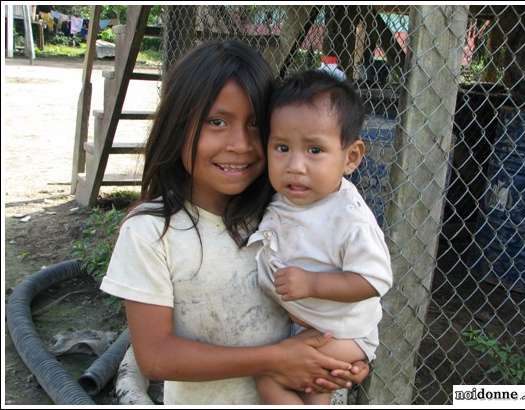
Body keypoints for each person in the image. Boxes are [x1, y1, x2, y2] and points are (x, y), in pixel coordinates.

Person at [100, 40, 369, 405]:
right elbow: (156, 356)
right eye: (217, 122)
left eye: (256, 125)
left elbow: (334, 303)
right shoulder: (151, 232)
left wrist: (347, 358)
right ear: (178, 126)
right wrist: (275, 359)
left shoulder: (284, 217)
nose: (240, 143)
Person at [249, 70, 393, 404]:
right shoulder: (283, 197)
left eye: (314, 150)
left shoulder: (349, 218)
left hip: (345, 334)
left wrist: (313, 285)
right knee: (314, 393)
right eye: (282, 148)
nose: (295, 166)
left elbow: (374, 280)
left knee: (271, 378)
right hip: (312, 326)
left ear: (351, 157)